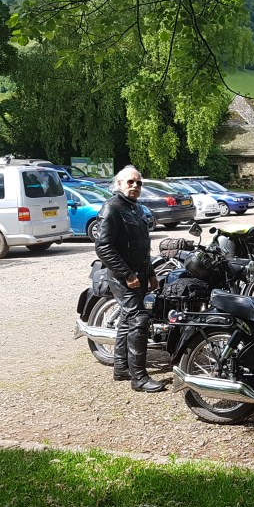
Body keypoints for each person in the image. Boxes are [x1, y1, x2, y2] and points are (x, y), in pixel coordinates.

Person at [94, 166, 164, 393]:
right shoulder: (111, 208)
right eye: (130, 182)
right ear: (119, 184)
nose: (135, 186)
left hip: (140, 273)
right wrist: (127, 274)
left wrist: (151, 273)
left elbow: (143, 246)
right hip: (122, 276)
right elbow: (103, 247)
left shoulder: (137, 208)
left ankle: (121, 368)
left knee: (126, 320)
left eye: (138, 183)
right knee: (139, 319)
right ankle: (139, 378)